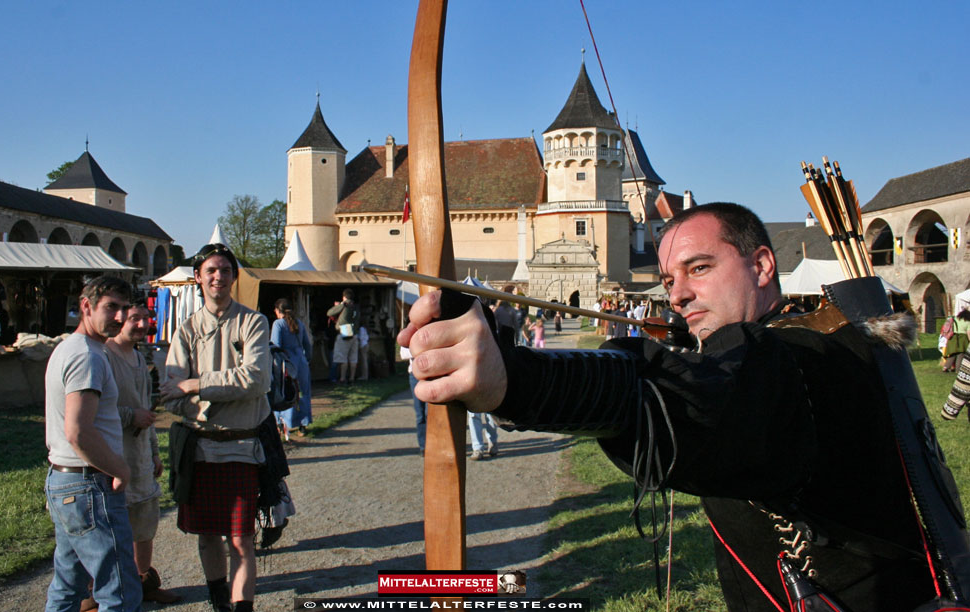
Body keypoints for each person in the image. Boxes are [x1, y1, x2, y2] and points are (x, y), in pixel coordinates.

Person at [399, 202, 940, 612]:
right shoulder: (814, 333)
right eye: (667, 280)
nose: (677, 295)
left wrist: (513, 380)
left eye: (699, 267)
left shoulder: (801, 360)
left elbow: (690, 398)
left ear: (763, 265)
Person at [160, 244, 270, 612]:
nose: (217, 276)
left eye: (224, 270)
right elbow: (170, 397)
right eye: (210, 270)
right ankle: (218, 600)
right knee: (206, 536)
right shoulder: (187, 330)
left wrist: (197, 384)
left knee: (241, 539)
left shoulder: (253, 322)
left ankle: (243, 608)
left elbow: (256, 380)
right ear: (198, 277)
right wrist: (224, 390)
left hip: (241, 447)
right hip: (201, 449)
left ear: (234, 276)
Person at [43, 275, 142, 612]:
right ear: (86, 306)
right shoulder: (88, 355)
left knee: (69, 586)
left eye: (124, 308)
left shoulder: (70, 349)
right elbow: (79, 431)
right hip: (88, 484)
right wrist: (120, 468)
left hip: (67, 481)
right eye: (111, 307)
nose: (120, 316)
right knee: (120, 592)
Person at [105, 301, 180, 605]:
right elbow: (95, 410)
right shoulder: (104, 356)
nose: (141, 324)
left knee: (145, 523)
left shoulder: (138, 357)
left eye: (146, 318)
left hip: (139, 455)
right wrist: (129, 416)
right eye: (135, 318)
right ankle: (108, 591)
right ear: (119, 318)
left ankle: (143, 582)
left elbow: (146, 408)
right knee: (114, 527)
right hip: (113, 454)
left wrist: (153, 453)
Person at [271, 298, 313, 437]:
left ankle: (283, 422)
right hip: (301, 361)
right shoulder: (299, 323)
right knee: (302, 392)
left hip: (287, 363)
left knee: (284, 392)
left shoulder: (278, 324)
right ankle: (303, 424)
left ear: (278, 311)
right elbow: (307, 344)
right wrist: (307, 358)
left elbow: (276, 345)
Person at [326, 289, 360, 384]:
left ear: (344, 297)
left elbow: (329, 313)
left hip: (344, 333)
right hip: (354, 334)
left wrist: (339, 305)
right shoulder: (355, 306)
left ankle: (342, 378)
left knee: (343, 357)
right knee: (353, 358)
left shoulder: (345, 305)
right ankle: (352, 378)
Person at [400, 345, 426, 455]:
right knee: (420, 413)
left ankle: (435, 444)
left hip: (430, 374)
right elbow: (404, 354)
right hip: (414, 375)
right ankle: (423, 446)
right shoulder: (409, 334)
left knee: (430, 413)